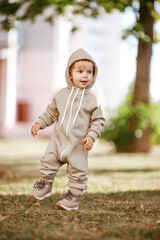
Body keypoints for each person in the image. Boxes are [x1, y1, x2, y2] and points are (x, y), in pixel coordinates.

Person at [31, 48, 105, 211]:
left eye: (89, 72)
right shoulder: (61, 95)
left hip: (78, 144)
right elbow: (51, 113)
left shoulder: (92, 99)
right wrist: (40, 123)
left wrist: (91, 136)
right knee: (48, 160)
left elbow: (98, 120)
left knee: (78, 170)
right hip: (59, 140)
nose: (85, 75)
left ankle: (73, 197)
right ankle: (45, 186)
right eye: (80, 71)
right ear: (70, 73)